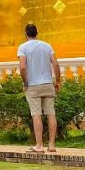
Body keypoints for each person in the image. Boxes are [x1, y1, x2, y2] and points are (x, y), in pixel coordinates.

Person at [17, 23, 62, 152]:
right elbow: (56, 64)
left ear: (25, 34)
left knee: (36, 114)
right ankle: (52, 145)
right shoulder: (47, 46)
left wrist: (25, 82)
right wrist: (57, 81)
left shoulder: (23, 47)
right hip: (48, 83)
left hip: (33, 85)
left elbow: (23, 67)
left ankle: (39, 145)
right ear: (37, 33)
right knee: (51, 113)